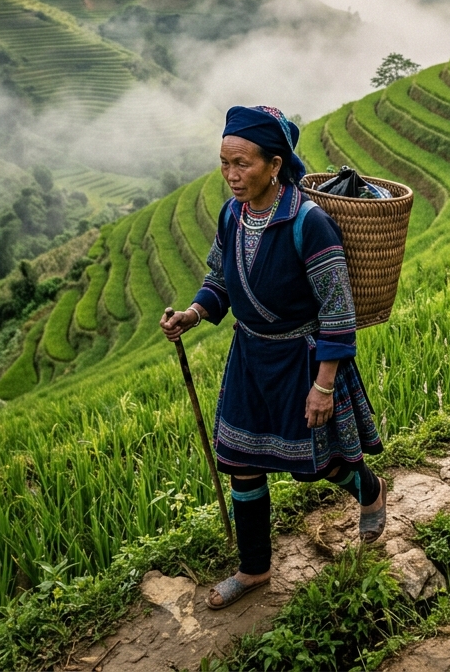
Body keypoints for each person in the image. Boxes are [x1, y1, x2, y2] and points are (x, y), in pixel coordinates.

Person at [160, 105, 385, 611]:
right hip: (250, 356)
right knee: (242, 462)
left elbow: (337, 310)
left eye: (243, 164)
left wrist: (323, 385)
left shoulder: (309, 223)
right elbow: (220, 279)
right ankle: (254, 567)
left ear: (275, 164)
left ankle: (370, 490)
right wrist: (193, 314)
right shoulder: (232, 215)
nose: (232, 175)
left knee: (322, 463)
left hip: (302, 360)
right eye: (225, 163)